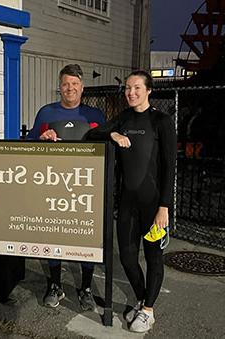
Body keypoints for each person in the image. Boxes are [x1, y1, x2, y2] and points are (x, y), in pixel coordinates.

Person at [87, 70, 176, 332]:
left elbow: (170, 167)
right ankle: (141, 299)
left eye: (137, 87)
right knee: (126, 257)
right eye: (127, 88)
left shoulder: (161, 121)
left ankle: (148, 310)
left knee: (153, 257)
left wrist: (164, 207)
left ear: (149, 90)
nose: (131, 92)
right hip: (127, 203)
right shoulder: (123, 118)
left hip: (153, 205)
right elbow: (91, 136)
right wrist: (111, 135)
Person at [27, 64, 105, 311]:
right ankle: (55, 285)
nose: (70, 88)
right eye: (65, 84)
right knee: (54, 236)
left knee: (86, 240)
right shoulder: (46, 113)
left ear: (82, 88)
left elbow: (106, 147)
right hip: (54, 187)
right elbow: (28, 143)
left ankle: (86, 289)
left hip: (85, 191)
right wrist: (41, 138)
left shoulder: (95, 116)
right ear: (59, 87)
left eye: (74, 84)